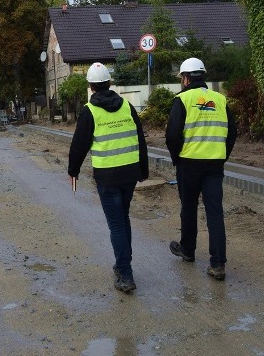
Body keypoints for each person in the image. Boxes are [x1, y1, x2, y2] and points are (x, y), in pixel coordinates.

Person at [68, 62, 148, 294]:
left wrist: (73, 171)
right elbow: (139, 139)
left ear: (91, 86)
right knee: (123, 219)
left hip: (108, 177)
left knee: (116, 225)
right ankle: (124, 263)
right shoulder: (127, 106)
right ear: (109, 83)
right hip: (130, 174)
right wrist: (143, 170)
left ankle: (125, 273)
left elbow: (78, 145)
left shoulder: (90, 111)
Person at [166, 57, 237, 281]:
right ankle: (218, 264)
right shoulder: (220, 99)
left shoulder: (183, 99)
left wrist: (176, 158)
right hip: (214, 164)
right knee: (215, 213)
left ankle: (187, 250)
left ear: (186, 78)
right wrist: (221, 155)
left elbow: (172, 135)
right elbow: (232, 133)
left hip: (189, 164)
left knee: (189, 207)